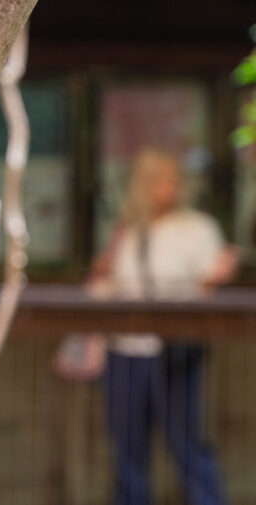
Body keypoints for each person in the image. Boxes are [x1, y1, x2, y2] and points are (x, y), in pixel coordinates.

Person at [88, 149, 236, 505]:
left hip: (176, 350)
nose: (170, 186)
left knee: (185, 442)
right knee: (127, 447)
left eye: (174, 178)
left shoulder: (197, 228)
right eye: (160, 178)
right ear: (143, 184)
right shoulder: (126, 229)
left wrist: (217, 278)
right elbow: (104, 287)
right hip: (125, 350)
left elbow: (206, 288)